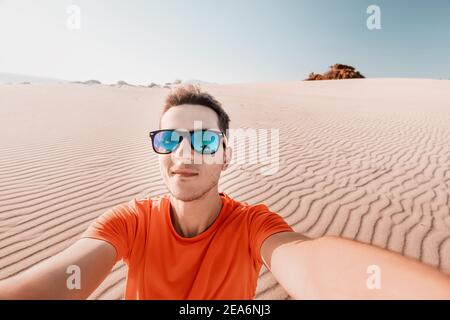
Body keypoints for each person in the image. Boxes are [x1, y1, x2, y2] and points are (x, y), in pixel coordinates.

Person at [0, 85, 449, 300]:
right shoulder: (129, 223)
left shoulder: (254, 225)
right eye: (170, 139)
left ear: (226, 156)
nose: (185, 153)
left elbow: (311, 264)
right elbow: (62, 278)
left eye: (204, 140)